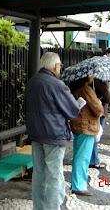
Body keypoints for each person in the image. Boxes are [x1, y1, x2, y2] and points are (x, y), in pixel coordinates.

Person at [25, 52, 81, 210]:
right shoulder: (56, 84)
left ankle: (39, 207)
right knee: (54, 175)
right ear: (55, 65)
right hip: (54, 135)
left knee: (39, 174)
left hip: (36, 134)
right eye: (60, 65)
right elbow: (72, 110)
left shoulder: (32, 82)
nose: (60, 68)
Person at [68, 76, 104, 196]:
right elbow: (98, 110)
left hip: (77, 124)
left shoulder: (73, 88)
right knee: (83, 157)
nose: (92, 76)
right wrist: (99, 102)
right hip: (86, 126)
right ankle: (79, 185)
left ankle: (76, 183)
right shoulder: (86, 89)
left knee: (78, 154)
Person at [89, 78, 110, 169]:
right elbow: (106, 98)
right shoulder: (97, 81)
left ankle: (90, 158)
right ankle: (94, 160)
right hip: (99, 112)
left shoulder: (83, 83)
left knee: (90, 136)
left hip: (89, 112)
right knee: (95, 136)